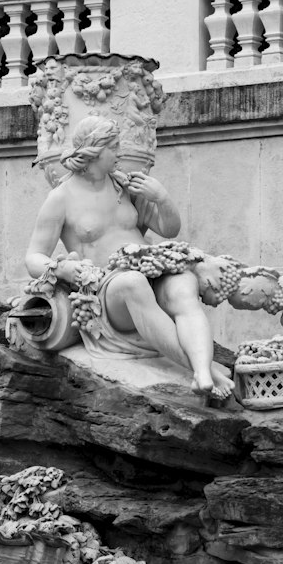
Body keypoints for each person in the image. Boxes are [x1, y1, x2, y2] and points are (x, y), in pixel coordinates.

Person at [25, 115, 233, 401]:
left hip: (149, 270)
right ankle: (204, 367)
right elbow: (33, 257)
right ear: (95, 151)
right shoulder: (61, 197)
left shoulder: (124, 185)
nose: (120, 153)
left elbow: (169, 229)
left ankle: (202, 372)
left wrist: (161, 197)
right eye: (114, 146)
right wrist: (63, 269)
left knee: (184, 283)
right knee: (132, 283)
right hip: (109, 291)